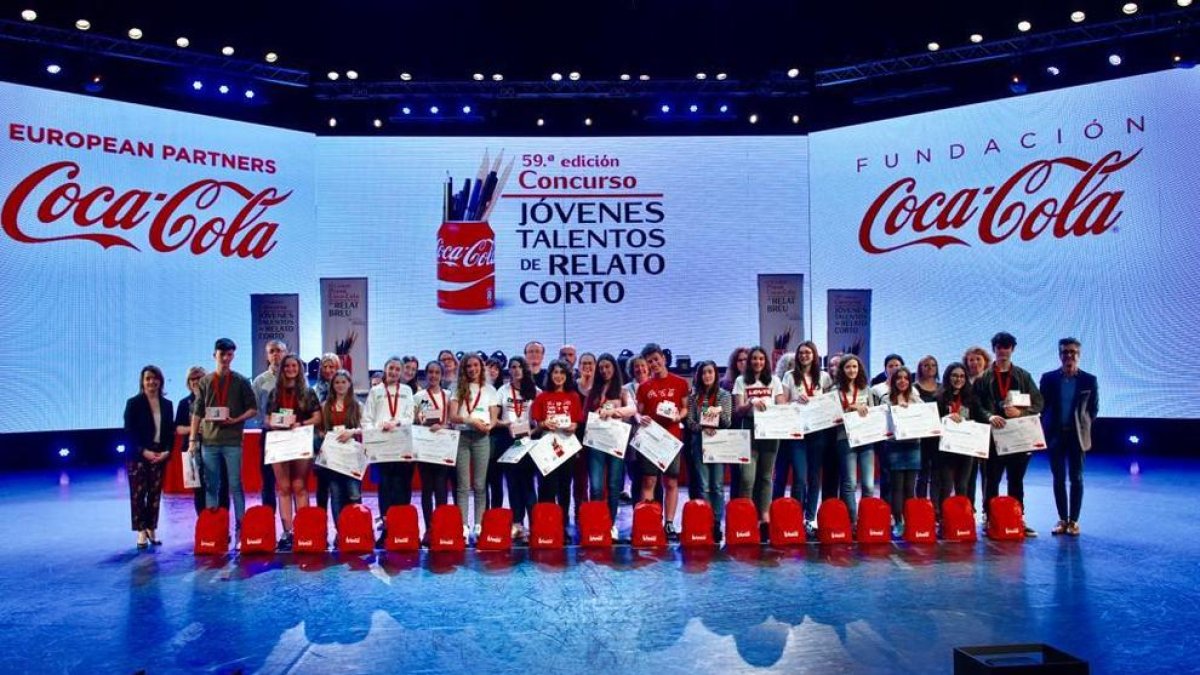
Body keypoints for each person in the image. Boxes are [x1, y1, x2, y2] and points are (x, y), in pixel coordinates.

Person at [978, 331, 1044, 537]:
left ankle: (1018, 519)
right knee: (992, 480)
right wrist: (989, 416)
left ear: (1012, 350)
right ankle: (990, 519)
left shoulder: (1023, 376)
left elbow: (1039, 402)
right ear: (994, 349)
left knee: (1016, 480)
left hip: (1018, 436)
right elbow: (977, 405)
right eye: (999, 347)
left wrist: (1021, 412)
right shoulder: (984, 378)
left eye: (1007, 347)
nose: (1003, 351)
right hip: (993, 436)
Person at [188, 338, 256, 531]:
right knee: (211, 485)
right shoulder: (205, 382)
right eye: (222, 354)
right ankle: (213, 526)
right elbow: (197, 412)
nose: (226, 358)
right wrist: (193, 439)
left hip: (232, 442)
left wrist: (236, 420)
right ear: (214, 355)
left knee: (235, 484)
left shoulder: (241, 381)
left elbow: (253, 409)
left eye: (229, 354)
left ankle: (241, 526)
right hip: (209, 442)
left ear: (233, 356)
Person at [1039, 338, 1098, 536]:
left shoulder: (1089, 380)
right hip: (1055, 435)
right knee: (1058, 478)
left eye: (1073, 352)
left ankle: (1074, 521)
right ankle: (1062, 519)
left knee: (1077, 478)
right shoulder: (1048, 378)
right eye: (1065, 352)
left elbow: (1093, 409)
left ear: (1078, 355)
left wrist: (1082, 426)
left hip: (1077, 437)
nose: (1069, 355)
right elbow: (1042, 406)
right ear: (1060, 355)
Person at [264, 354, 322, 550]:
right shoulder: (274, 393)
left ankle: (303, 529)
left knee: (299, 485)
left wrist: (300, 423)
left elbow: (317, 417)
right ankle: (287, 532)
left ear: (299, 369)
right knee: (283, 487)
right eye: (287, 366)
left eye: (294, 366)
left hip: (300, 440)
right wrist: (277, 424)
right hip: (279, 441)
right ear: (282, 369)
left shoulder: (307, 392)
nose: (290, 369)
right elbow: (266, 419)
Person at [777, 341, 836, 533]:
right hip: (797, 433)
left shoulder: (825, 377)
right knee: (800, 478)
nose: (804, 356)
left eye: (808, 352)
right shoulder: (789, 376)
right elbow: (782, 403)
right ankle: (795, 516)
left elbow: (830, 403)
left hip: (818, 433)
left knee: (814, 477)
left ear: (814, 355)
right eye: (801, 353)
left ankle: (810, 518)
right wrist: (795, 400)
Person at [635, 343, 691, 541]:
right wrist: (639, 418)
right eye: (649, 361)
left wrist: (679, 417)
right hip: (650, 438)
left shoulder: (680, 383)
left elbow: (685, 408)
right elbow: (638, 411)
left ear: (664, 359)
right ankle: (649, 521)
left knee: (671, 481)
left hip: (671, 438)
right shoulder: (644, 387)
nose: (654, 364)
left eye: (656, 359)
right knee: (649, 480)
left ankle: (669, 522)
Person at [362, 356, 416, 546]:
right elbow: (366, 419)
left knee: (402, 488)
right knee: (385, 489)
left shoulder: (408, 391)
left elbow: (411, 417)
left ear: (401, 372)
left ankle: (402, 530)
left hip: (402, 445)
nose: (393, 372)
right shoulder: (376, 392)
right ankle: (386, 531)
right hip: (383, 446)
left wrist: (397, 422)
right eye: (390, 368)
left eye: (397, 369)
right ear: (385, 370)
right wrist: (379, 426)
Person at [732, 345, 786, 535]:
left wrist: (773, 407)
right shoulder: (741, 381)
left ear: (766, 362)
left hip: (770, 432)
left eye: (761, 359)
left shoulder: (775, 381)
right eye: (754, 358)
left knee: (765, 477)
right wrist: (750, 402)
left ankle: (764, 517)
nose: (758, 362)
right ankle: (746, 515)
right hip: (748, 428)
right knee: (747, 478)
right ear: (749, 362)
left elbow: (782, 406)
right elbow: (737, 410)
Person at [584, 353, 637, 539]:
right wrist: (596, 412)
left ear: (614, 368)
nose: (604, 371)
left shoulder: (623, 391)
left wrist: (614, 411)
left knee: (614, 485)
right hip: (596, 444)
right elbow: (585, 417)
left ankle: (610, 524)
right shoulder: (593, 391)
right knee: (597, 486)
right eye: (601, 368)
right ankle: (595, 523)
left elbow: (632, 410)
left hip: (616, 443)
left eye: (608, 367)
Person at [531, 359, 586, 536]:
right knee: (547, 487)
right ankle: (546, 524)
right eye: (555, 372)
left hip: (567, 447)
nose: (558, 376)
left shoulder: (574, 397)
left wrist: (574, 427)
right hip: (547, 446)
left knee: (564, 487)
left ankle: (562, 525)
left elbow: (577, 421)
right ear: (550, 375)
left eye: (562, 373)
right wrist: (544, 424)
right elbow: (537, 424)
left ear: (567, 376)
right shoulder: (542, 397)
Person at [124, 365, 174, 549]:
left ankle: (152, 528)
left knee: (154, 494)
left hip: (159, 454)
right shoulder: (134, 403)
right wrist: (143, 451)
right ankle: (140, 531)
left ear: (160, 381)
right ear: (142, 382)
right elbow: (129, 432)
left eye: (155, 378)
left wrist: (167, 451)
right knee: (138, 494)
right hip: (138, 455)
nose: (152, 382)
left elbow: (169, 432)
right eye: (148, 379)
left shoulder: (167, 405)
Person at [450, 353, 499, 538]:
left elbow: (494, 418)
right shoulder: (457, 388)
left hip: (481, 438)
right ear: (464, 369)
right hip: (462, 436)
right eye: (468, 366)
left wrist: (489, 426)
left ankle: (479, 524)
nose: (472, 369)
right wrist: (470, 420)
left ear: (481, 367)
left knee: (480, 484)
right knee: (463, 485)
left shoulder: (489, 390)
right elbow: (453, 417)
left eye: (475, 365)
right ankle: (463, 526)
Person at [686, 360, 733, 542]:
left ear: (716, 374)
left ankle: (716, 524)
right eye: (704, 372)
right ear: (699, 376)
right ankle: (706, 522)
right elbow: (690, 423)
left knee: (718, 486)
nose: (707, 375)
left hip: (719, 442)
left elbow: (728, 421)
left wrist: (716, 419)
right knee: (704, 486)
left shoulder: (724, 395)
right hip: (699, 442)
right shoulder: (693, 397)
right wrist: (702, 427)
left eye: (710, 372)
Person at [936, 362, 989, 519]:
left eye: (961, 376)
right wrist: (945, 418)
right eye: (954, 375)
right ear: (948, 377)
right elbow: (933, 421)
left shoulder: (971, 398)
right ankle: (944, 518)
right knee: (946, 486)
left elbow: (980, 415)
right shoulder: (939, 397)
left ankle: (960, 518)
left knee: (962, 485)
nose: (958, 379)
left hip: (966, 448)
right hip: (946, 449)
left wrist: (990, 418)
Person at [495, 356, 540, 539]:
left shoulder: (536, 391)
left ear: (525, 369)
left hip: (529, 441)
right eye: (512, 367)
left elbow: (540, 422)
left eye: (519, 367)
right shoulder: (502, 391)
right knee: (513, 484)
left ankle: (535, 523)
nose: (516, 370)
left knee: (528, 484)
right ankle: (517, 523)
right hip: (509, 440)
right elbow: (494, 419)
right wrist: (506, 424)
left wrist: (532, 431)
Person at [176, 366, 229, 515]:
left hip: (217, 449)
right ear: (188, 382)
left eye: (199, 378)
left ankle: (222, 524)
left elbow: (226, 420)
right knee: (198, 490)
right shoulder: (183, 403)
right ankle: (204, 524)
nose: (196, 381)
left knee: (221, 487)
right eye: (192, 379)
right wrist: (194, 429)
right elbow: (178, 429)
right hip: (191, 450)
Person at [834, 354, 880, 523]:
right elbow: (831, 417)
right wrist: (849, 409)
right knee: (850, 484)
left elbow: (873, 413)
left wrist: (865, 410)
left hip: (866, 439)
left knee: (868, 484)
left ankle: (866, 521)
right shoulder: (835, 391)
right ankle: (852, 522)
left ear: (859, 369)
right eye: (848, 367)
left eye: (854, 366)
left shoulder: (866, 389)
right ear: (842, 370)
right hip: (844, 439)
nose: (851, 370)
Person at [317, 369, 365, 532]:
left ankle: (356, 530)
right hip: (333, 458)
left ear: (350, 384)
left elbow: (365, 428)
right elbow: (320, 430)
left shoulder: (358, 406)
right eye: (337, 382)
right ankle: (341, 533)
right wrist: (324, 434)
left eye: (343, 382)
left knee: (354, 494)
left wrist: (352, 432)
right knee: (336, 495)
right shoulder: (325, 406)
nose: (340, 385)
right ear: (332, 385)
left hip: (352, 457)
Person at [414, 361, 452, 539]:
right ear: (426, 374)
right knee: (427, 489)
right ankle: (429, 529)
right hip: (425, 447)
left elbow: (452, 421)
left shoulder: (449, 395)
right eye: (430, 372)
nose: (434, 375)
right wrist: (421, 422)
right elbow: (415, 420)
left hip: (443, 447)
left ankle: (442, 526)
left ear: (442, 375)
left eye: (437, 372)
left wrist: (444, 425)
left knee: (441, 489)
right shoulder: (419, 396)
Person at [883, 366, 922, 537]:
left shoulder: (916, 399)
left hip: (913, 446)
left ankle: (911, 520)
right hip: (894, 446)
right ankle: (898, 521)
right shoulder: (886, 399)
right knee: (897, 487)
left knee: (910, 486)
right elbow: (882, 422)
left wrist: (911, 410)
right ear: (893, 380)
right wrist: (896, 410)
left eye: (906, 378)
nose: (902, 381)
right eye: (899, 378)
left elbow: (924, 418)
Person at [251, 339, 287, 517]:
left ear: (285, 353)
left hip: (291, 435)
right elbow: (255, 410)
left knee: (290, 481)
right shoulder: (259, 381)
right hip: (269, 434)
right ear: (267, 355)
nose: (276, 354)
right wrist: (267, 421)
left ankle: (293, 524)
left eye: (279, 351)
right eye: (272, 351)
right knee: (268, 479)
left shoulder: (294, 378)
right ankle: (268, 520)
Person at [962, 346, 992, 511]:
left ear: (985, 361)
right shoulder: (962, 380)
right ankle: (968, 509)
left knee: (988, 473)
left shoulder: (992, 380)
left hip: (988, 430)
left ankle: (988, 510)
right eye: (971, 360)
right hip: (968, 431)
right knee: (968, 473)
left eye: (978, 359)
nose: (974, 363)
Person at [312, 353, 342, 514]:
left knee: (338, 488)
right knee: (322, 487)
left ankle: (342, 529)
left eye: (332, 367)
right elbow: (310, 414)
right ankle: (320, 525)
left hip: (341, 443)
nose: (329, 370)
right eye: (325, 367)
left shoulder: (344, 388)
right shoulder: (314, 391)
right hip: (320, 442)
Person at [720, 346, 750, 498]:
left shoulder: (759, 382)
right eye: (740, 360)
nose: (743, 363)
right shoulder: (724, 384)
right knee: (736, 473)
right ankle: (734, 508)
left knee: (751, 475)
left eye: (746, 359)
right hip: (732, 432)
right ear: (734, 363)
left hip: (754, 432)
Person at [914, 355, 942, 504]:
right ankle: (921, 505)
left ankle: (936, 507)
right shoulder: (913, 388)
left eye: (933, 365)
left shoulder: (943, 388)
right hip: (920, 437)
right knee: (922, 473)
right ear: (920, 368)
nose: (930, 368)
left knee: (937, 473)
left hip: (939, 437)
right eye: (926, 365)